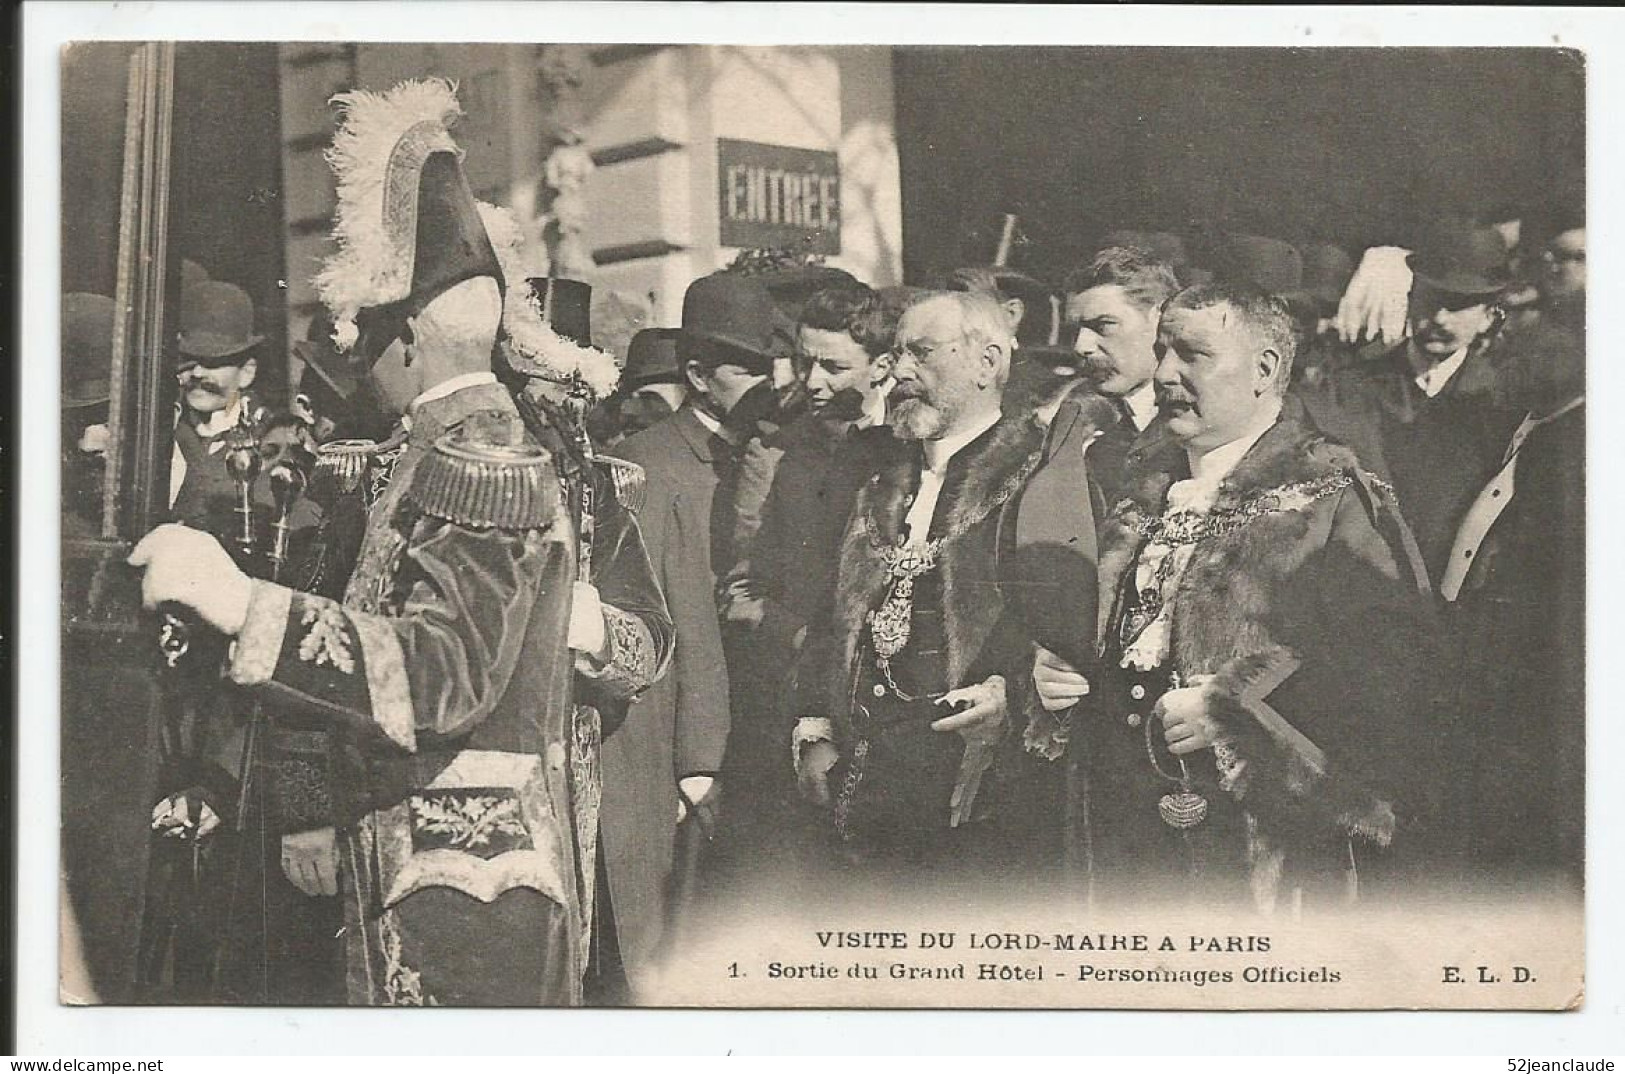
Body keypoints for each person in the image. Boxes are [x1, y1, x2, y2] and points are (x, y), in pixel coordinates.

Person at [130, 77, 667, 1006]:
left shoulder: (479, 461)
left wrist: (238, 602)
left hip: (471, 885)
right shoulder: (429, 458)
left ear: (409, 337)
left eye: (367, 333)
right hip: (423, 863)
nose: (355, 357)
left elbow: (441, 677)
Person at [1030, 281, 1436, 909]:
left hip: (1259, 845)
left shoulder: (1330, 498)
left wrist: (1237, 709)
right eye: (1162, 350)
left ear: (1265, 369)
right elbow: (1115, 637)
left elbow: (1392, 672)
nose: (1165, 373)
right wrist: (1056, 675)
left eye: (1193, 354)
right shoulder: (1140, 492)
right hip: (1122, 834)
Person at [792, 289, 1045, 873]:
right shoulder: (876, 476)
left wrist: (1013, 696)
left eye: (923, 353)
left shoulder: (1036, 476)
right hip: (863, 794)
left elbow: (1065, 637)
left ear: (988, 363)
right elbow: (829, 619)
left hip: (975, 807)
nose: (901, 371)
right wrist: (814, 726)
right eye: (898, 354)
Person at [608, 271, 783, 987]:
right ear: (698, 374)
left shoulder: (777, 451)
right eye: (747, 370)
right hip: (689, 736)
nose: (766, 386)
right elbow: (661, 623)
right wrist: (695, 757)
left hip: (767, 726)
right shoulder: (650, 464)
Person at [1304, 221, 1519, 579]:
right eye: (1430, 300)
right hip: (1365, 581)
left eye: (1458, 305)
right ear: (1410, 298)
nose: (1439, 318)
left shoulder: (1500, 400)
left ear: (1489, 317)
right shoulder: (1352, 385)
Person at [1055, 245, 1181, 506]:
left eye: (1103, 325)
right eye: (1075, 331)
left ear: (1162, 320)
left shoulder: (1198, 428)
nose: (1082, 346)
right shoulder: (1067, 422)